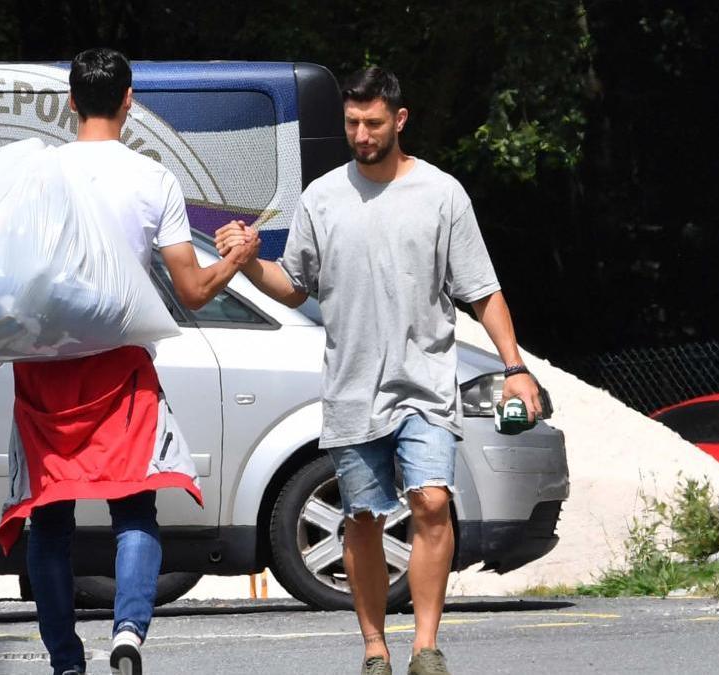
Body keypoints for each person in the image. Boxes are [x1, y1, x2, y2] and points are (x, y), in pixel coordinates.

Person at [216, 66, 542, 675]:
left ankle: (425, 646)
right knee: (361, 518)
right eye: (351, 123)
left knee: (431, 503)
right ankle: (374, 647)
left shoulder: (442, 195)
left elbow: (482, 291)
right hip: (351, 389)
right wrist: (248, 264)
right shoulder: (322, 198)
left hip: (424, 384)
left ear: (399, 119)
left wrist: (515, 367)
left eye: (371, 123)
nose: (361, 135)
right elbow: (292, 288)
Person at [0, 48, 258, 675]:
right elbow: (193, 290)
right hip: (119, 367)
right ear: (129, 99)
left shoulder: (34, 175)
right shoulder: (153, 179)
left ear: (69, 101)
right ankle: (129, 634)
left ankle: (65, 660)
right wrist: (238, 257)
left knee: (50, 519)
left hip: (43, 368)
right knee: (135, 507)